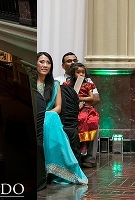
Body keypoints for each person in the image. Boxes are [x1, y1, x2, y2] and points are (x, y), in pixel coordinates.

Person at [37, 52, 87, 185]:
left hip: (48, 116)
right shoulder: (32, 83)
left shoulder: (55, 85)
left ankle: (59, 167)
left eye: (48, 63)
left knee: (52, 116)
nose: (45, 65)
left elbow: (58, 107)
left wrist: (44, 115)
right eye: (42, 62)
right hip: (37, 116)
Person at [61, 52, 101, 167]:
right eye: (69, 61)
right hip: (67, 112)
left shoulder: (87, 82)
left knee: (92, 122)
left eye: (74, 60)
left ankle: (89, 158)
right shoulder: (60, 80)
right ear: (63, 65)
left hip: (84, 110)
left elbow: (96, 99)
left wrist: (82, 101)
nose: (72, 63)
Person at [69, 63, 100, 162]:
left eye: (83, 72)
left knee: (88, 120)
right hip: (71, 109)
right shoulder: (67, 83)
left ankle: (85, 147)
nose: (81, 74)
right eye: (78, 72)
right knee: (77, 119)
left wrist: (80, 100)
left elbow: (93, 98)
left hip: (86, 108)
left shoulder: (88, 84)